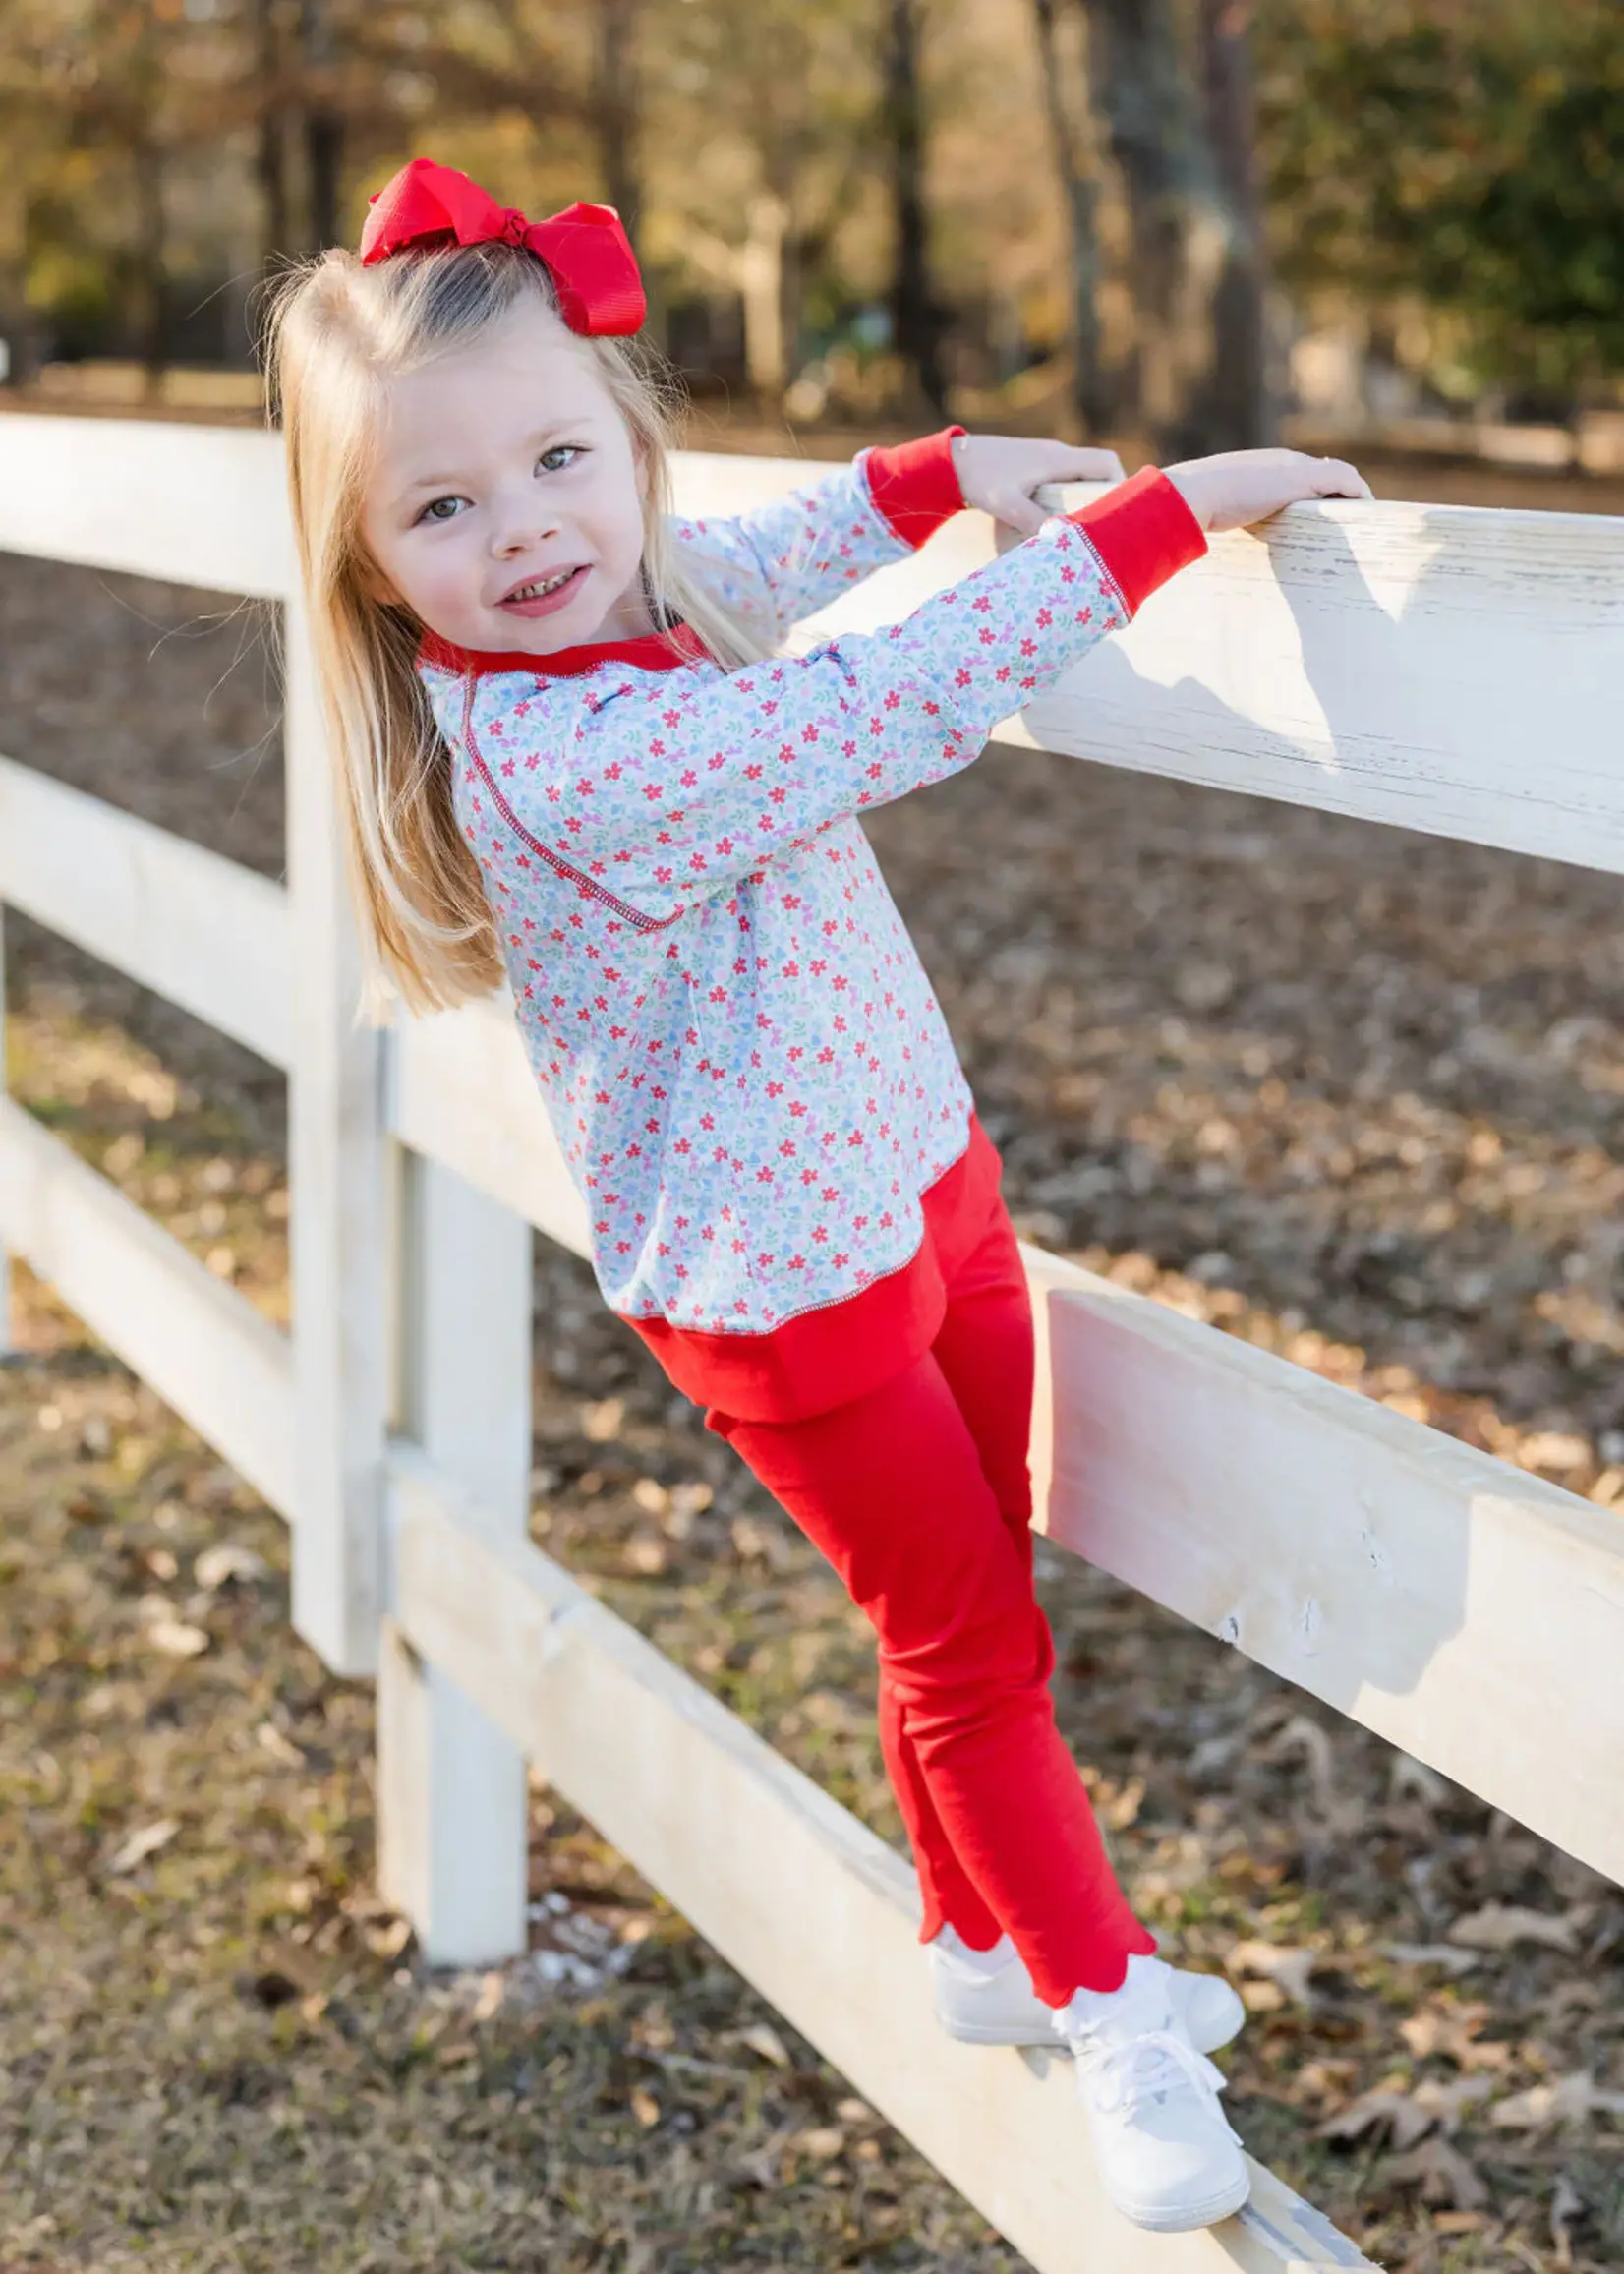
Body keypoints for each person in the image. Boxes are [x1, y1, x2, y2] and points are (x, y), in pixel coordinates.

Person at [267, 157, 1369, 2235]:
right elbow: (875, 706)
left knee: (967, 1602)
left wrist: (931, 472)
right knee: (964, 1646)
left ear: (622, 440)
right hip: (780, 1284)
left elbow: (747, 550)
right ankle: (1106, 2003)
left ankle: (979, 1941)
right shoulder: (559, 759)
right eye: (442, 508)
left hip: (918, 1167)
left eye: (558, 461)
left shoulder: (631, 592)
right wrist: (1155, 517)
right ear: (364, 557)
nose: (525, 533)